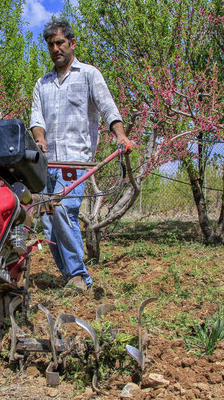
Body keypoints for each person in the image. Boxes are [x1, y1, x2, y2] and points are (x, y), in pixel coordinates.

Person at [30, 16, 135, 293]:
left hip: (76, 162)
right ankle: (70, 277)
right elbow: (36, 119)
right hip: (48, 164)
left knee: (64, 210)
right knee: (49, 221)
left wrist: (120, 135)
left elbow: (108, 108)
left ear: (72, 43)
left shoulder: (89, 74)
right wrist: (39, 141)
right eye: (51, 44)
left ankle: (79, 276)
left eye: (60, 42)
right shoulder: (43, 83)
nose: (56, 49)